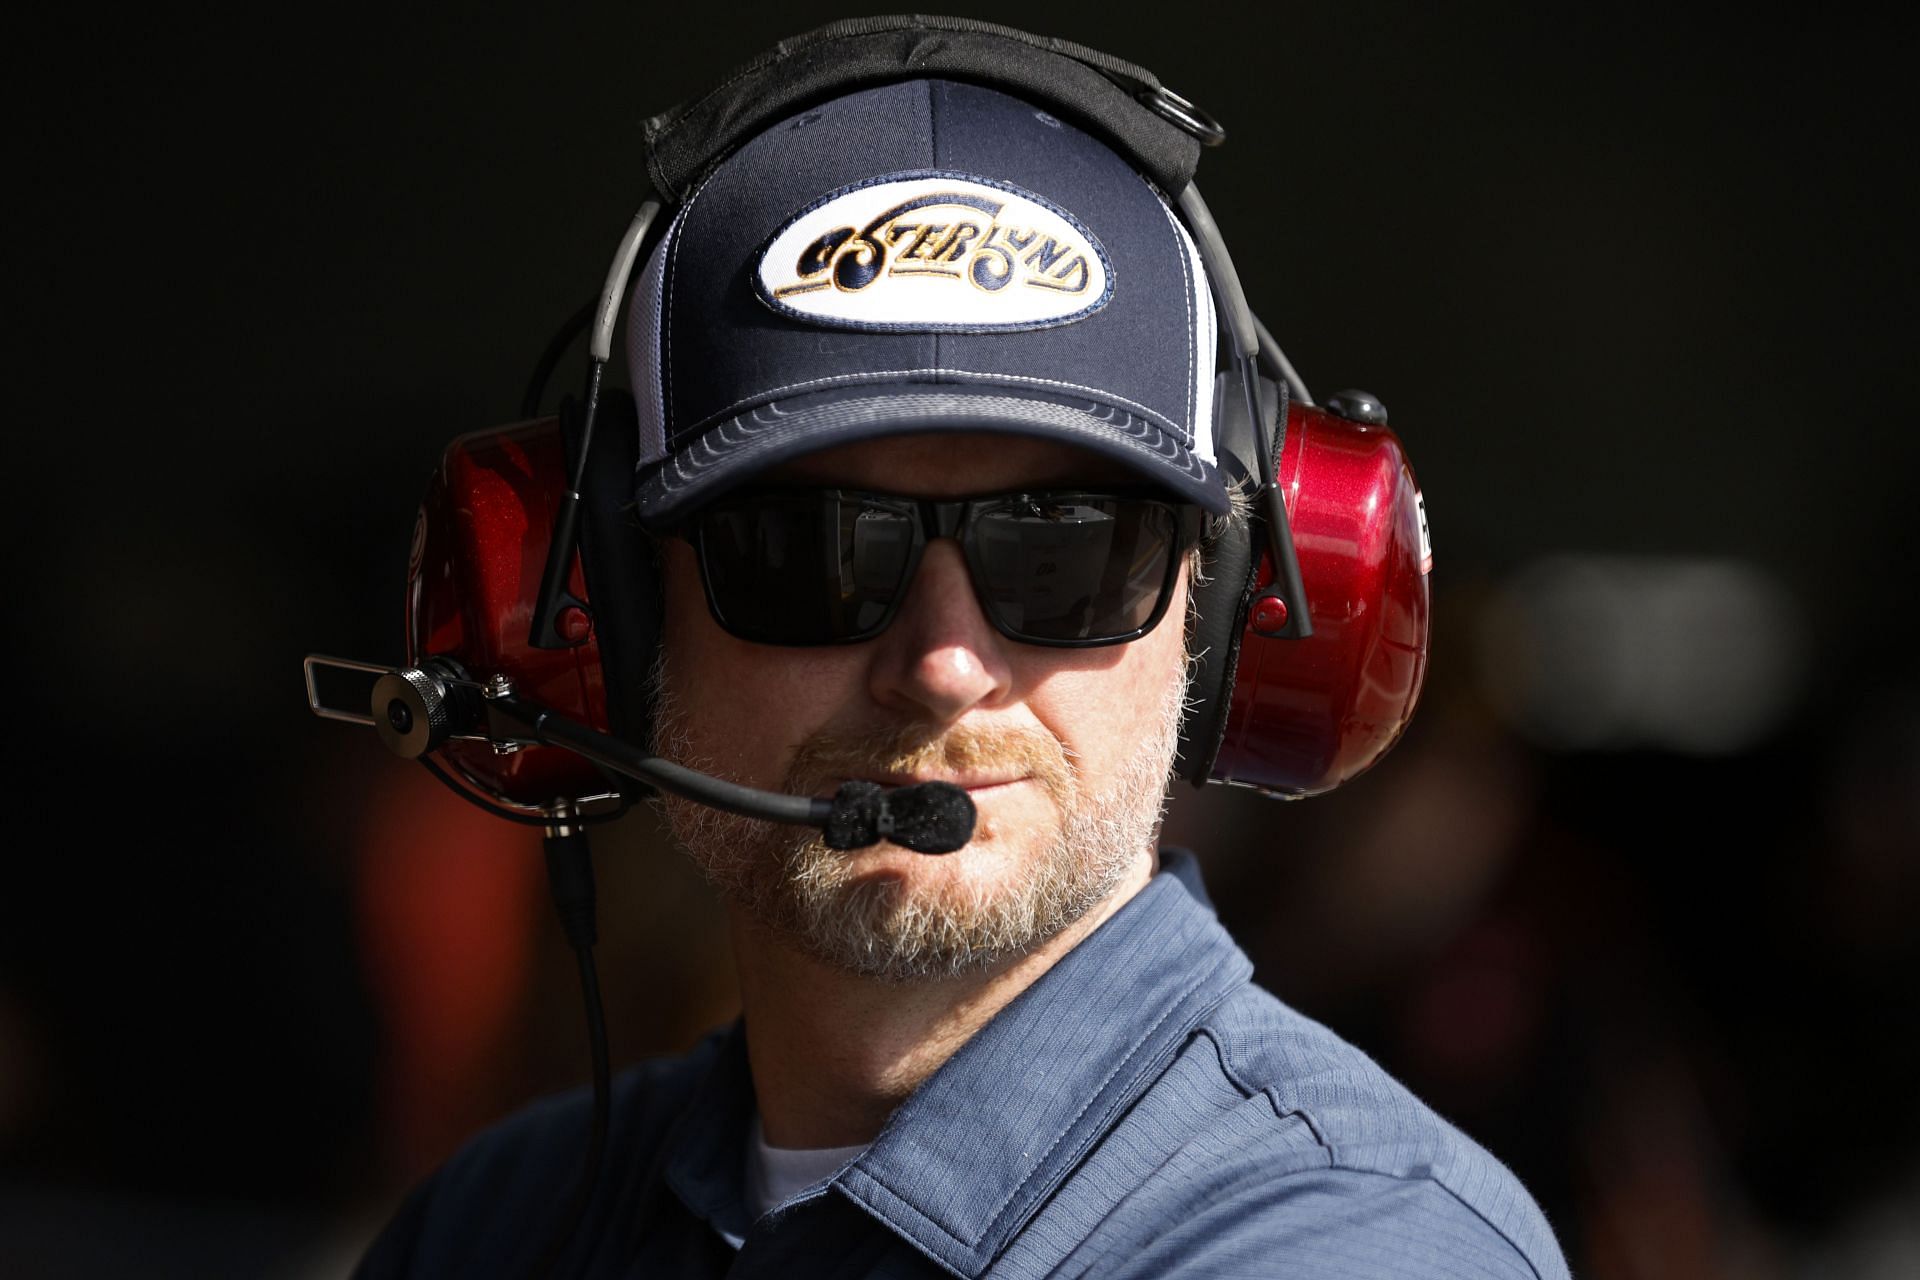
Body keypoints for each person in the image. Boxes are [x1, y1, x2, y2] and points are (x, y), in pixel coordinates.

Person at [357, 22, 1569, 1280]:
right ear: (614, 614)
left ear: (1223, 612)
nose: (943, 663)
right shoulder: (490, 1226)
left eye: (1067, 552)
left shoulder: (1359, 1244)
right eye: (813, 549)